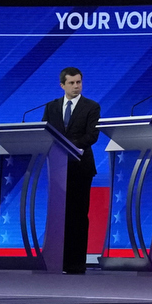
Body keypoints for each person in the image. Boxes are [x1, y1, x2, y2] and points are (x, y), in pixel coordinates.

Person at [42, 67, 101, 275]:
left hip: (80, 167)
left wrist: (66, 147)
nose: (76, 86)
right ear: (62, 85)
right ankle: (57, 260)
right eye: (72, 83)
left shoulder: (91, 107)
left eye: (79, 82)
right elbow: (44, 131)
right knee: (59, 216)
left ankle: (76, 263)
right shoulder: (51, 107)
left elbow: (92, 135)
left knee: (77, 215)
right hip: (57, 169)